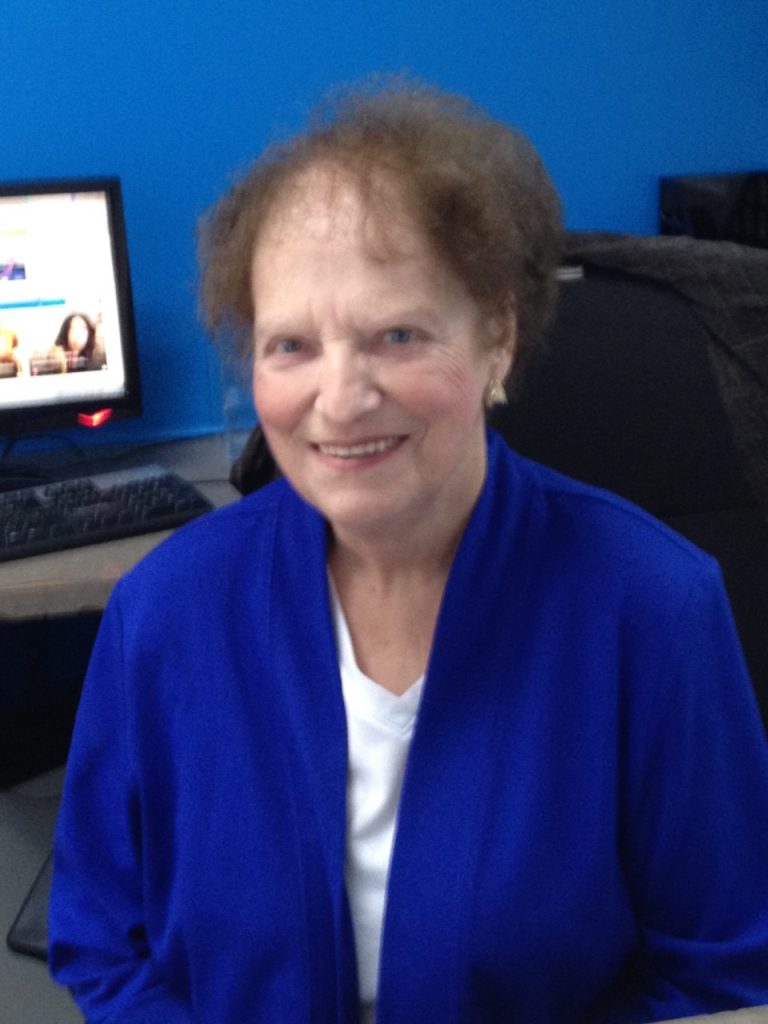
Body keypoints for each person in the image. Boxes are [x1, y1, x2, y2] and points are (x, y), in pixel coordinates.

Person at [49, 77, 768, 1024]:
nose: (341, 399)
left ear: (498, 337)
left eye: (396, 335)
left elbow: (721, 973)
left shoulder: (653, 606)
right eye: (291, 345)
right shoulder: (166, 611)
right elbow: (104, 940)